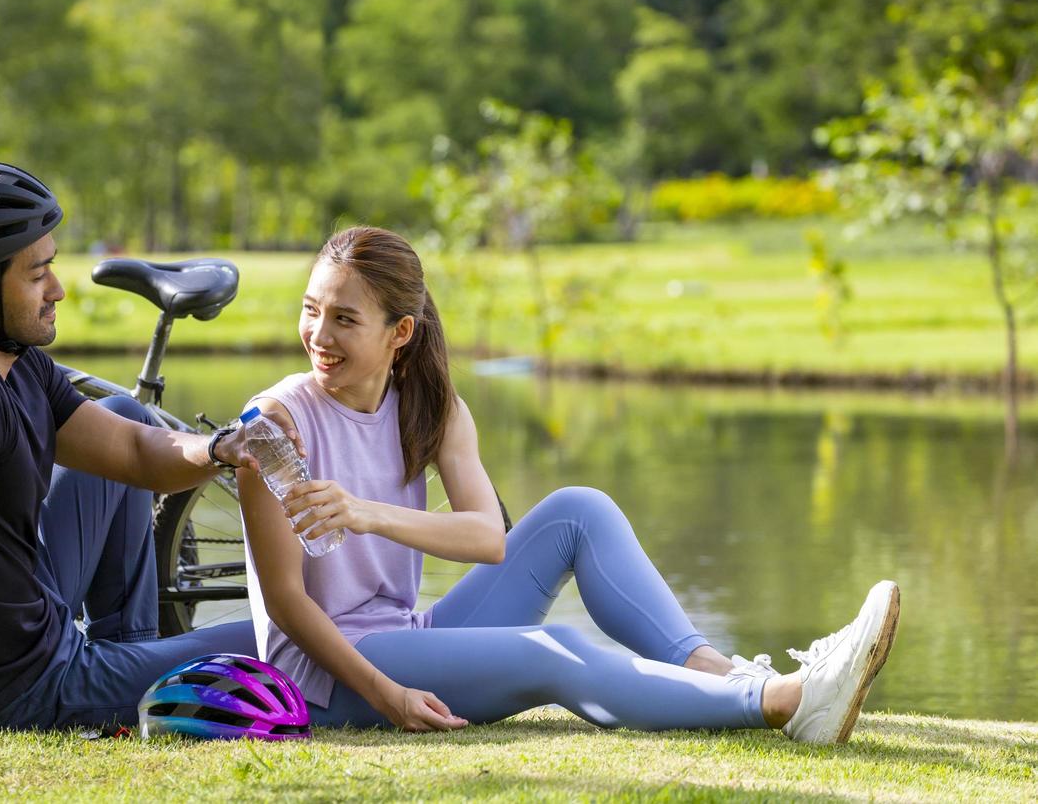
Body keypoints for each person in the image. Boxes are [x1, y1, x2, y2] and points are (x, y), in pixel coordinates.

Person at [236, 225, 901, 743]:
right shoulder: (278, 422)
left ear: (399, 333)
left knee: (579, 510)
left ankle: (719, 673)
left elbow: (487, 539)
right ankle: (781, 701)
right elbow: (288, 607)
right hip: (328, 678)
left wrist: (366, 514)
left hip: (407, 632)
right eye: (312, 310)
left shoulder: (429, 409)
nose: (318, 335)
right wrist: (387, 694)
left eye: (344, 319)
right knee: (554, 650)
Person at [0, 163, 292, 751]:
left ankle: (127, 658)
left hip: (25, 617)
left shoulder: (12, 360)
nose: (58, 289)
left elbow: (132, 449)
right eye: (38, 274)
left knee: (129, 412)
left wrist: (221, 448)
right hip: (16, 685)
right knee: (279, 643)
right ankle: (123, 681)